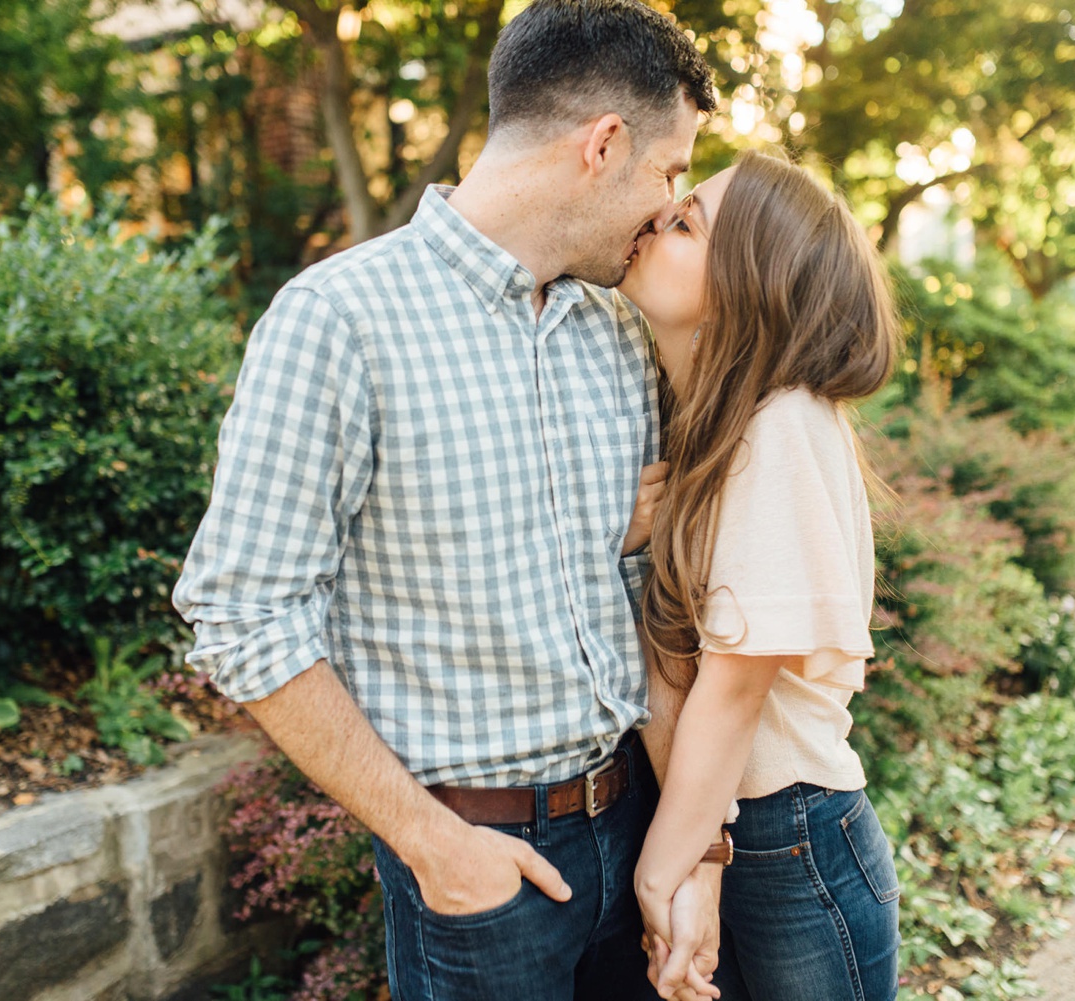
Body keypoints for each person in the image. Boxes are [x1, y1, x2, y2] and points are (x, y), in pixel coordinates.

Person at [171, 2, 727, 998]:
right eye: (670, 170)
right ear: (603, 145)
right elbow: (242, 615)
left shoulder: (618, 327)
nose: (668, 202)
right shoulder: (339, 320)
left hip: (637, 819)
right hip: (481, 867)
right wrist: (432, 840)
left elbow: (652, 595)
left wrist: (691, 850)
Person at [618, 150, 904, 1001]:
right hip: (739, 822)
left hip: (795, 840)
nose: (652, 222)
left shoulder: (781, 426)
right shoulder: (703, 423)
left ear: (751, 278)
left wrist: (664, 872)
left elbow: (737, 684)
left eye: (684, 223)